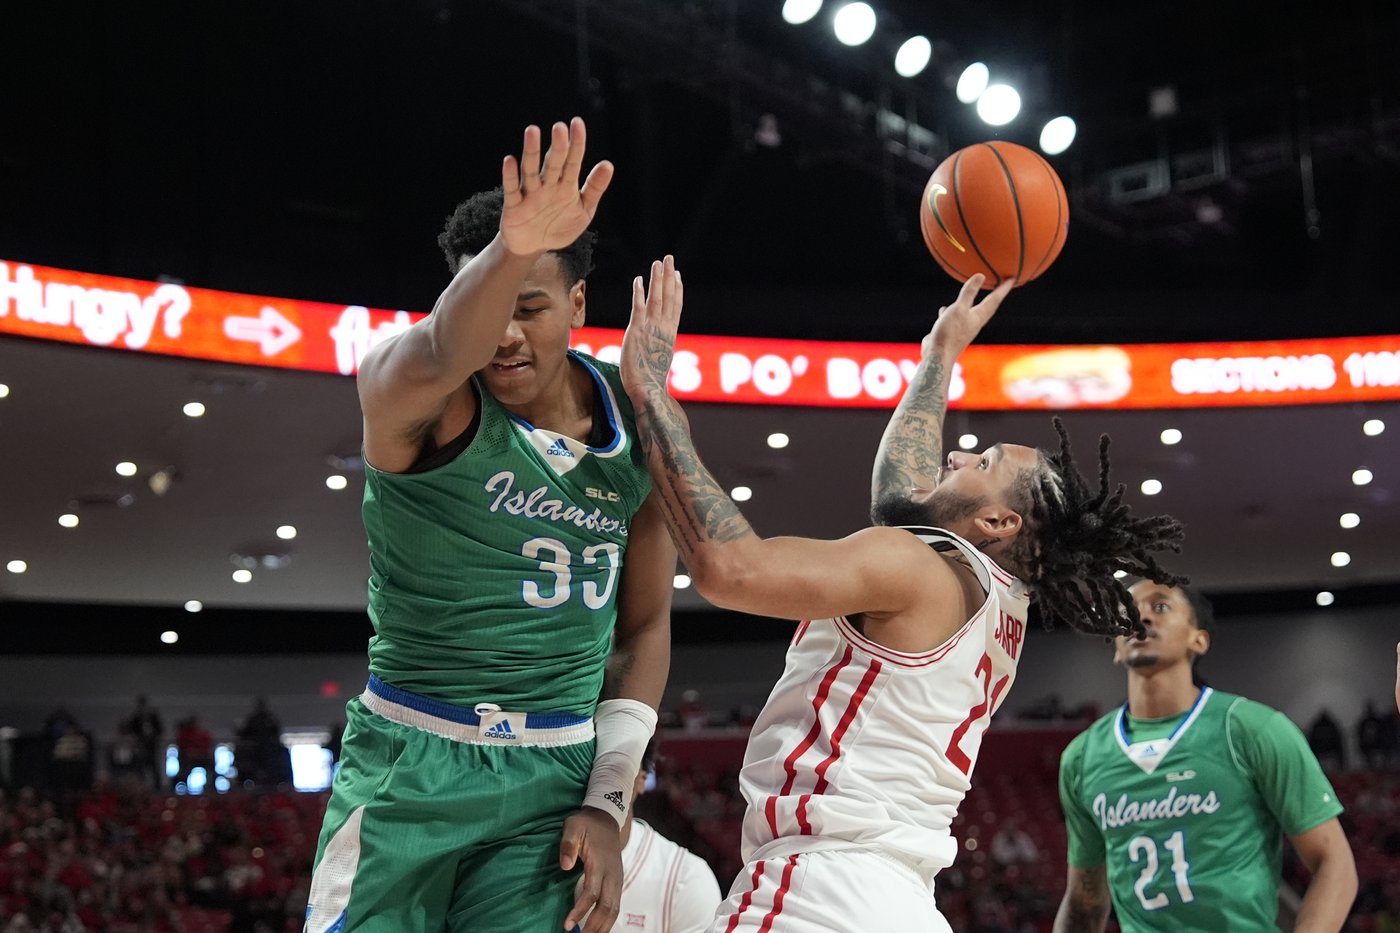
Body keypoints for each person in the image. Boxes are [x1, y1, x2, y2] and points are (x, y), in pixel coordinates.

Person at [617, 263, 1186, 931]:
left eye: (983, 462)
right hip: (901, 902)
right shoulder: (996, 603)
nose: (957, 456)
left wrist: (650, 391)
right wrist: (939, 352)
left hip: (817, 891)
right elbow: (901, 495)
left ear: (1000, 523)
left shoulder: (917, 569)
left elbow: (729, 568)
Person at [304, 117, 675, 933]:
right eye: (494, 304)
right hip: (411, 763)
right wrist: (509, 254)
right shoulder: (414, 390)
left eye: (532, 306)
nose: (507, 334)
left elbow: (644, 627)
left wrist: (609, 800)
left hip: (556, 774)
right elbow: (446, 345)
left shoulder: (638, 415)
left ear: (579, 302)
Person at [1053, 582, 1357, 932]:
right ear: (1117, 649)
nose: (1140, 617)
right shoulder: (1080, 757)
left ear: (1198, 639)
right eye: (1127, 611)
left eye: (1161, 607)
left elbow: (1334, 861)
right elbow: (1084, 898)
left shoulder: (1252, 729)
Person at [609, 738, 723, 933]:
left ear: (642, 777)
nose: (598, 778)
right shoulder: (540, 858)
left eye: (611, 761)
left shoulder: (685, 880)